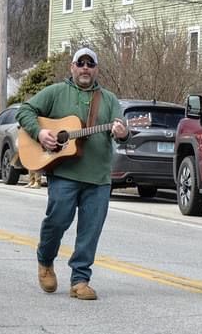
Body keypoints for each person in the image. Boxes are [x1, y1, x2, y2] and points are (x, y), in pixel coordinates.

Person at [16, 47, 129, 301]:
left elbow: (121, 129)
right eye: (81, 63)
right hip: (64, 173)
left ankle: (80, 279)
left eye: (91, 64)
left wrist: (122, 132)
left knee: (90, 230)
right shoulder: (56, 92)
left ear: (97, 69)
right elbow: (24, 110)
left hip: (98, 177)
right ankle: (45, 260)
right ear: (72, 67)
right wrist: (40, 133)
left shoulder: (109, 99)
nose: (85, 68)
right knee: (57, 221)